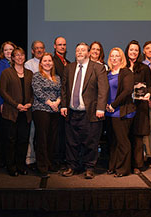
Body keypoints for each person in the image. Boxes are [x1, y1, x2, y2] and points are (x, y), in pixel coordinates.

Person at [60, 42, 109, 179]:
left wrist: (100, 108)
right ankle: (71, 166)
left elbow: (103, 89)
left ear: (88, 53)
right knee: (71, 142)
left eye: (83, 50)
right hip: (72, 112)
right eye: (77, 51)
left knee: (90, 142)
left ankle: (89, 168)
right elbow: (64, 88)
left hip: (91, 112)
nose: (80, 53)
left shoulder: (98, 68)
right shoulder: (69, 68)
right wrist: (63, 105)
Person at [0, 47, 33, 177]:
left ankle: (21, 165)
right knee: (11, 140)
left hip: (26, 113)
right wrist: (16, 105)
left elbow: (33, 91)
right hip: (11, 112)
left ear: (25, 57)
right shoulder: (6, 73)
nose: (20, 57)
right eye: (17, 55)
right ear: (12, 58)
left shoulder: (30, 73)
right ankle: (11, 166)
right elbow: (3, 92)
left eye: (22, 55)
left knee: (23, 140)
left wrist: (29, 103)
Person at [105, 47, 136, 177]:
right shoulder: (107, 73)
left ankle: (123, 169)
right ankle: (113, 166)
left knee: (123, 142)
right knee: (113, 142)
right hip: (109, 112)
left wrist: (113, 104)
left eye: (117, 56)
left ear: (121, 58)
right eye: (112, 56)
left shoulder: (126, 72)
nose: (114, 58)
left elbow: (127, 90)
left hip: (121, 111)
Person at [32, 53, 61, 178]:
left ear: (53, 63)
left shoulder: (57, 77)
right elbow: (38, 92)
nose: (47, 63)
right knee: (42, 139)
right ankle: (42, 167)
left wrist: (57, 103)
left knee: (52, 139)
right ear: (41, 63)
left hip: (55, 111)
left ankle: (49, 163)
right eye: (45, 61)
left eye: (50, 61)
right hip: (41, 110)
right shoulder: (36, 76)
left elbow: (61, 92)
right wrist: (50, 103)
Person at [125, 40, 151, 174]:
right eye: (131, 50)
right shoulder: (122, 67)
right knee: (125, 136)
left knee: (137, 137)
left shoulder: (144, 68)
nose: (133, 52)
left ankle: (137, 165)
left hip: (140, 107)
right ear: (127, 51)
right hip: (124, 106)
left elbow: (150, 86)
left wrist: (148, 94)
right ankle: (125, 164)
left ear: (139, 52)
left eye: (136, 50)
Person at [0, 41, 16, 168]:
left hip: (13, 104)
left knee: (11, 134)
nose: (8, 52)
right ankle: (0, 160)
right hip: (1, 103)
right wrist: (1, 103)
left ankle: (10, 159)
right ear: (2, 52)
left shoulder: (17, 64)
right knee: (2, 132)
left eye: (11, 49)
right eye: (6, 50)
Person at [24, 40, 46, 167]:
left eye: (41, 48)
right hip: (32, 104)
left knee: (41, 135)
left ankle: (42, 159)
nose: (39, 50)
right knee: (31, 133)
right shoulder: (28, 64)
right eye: (36, 48)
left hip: (45, 107)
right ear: (32, 51)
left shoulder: (49, 63)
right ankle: (30, 158)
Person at [52, 36, 70, 168]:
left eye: (64, 45)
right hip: (55, 102)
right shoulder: (52, 61)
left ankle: (63, 158)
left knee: (64, 133)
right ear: (54, 46)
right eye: (59, 45)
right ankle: (56, 159)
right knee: (56, 134)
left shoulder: (68, 62)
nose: (62, 47)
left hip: (67, 103)